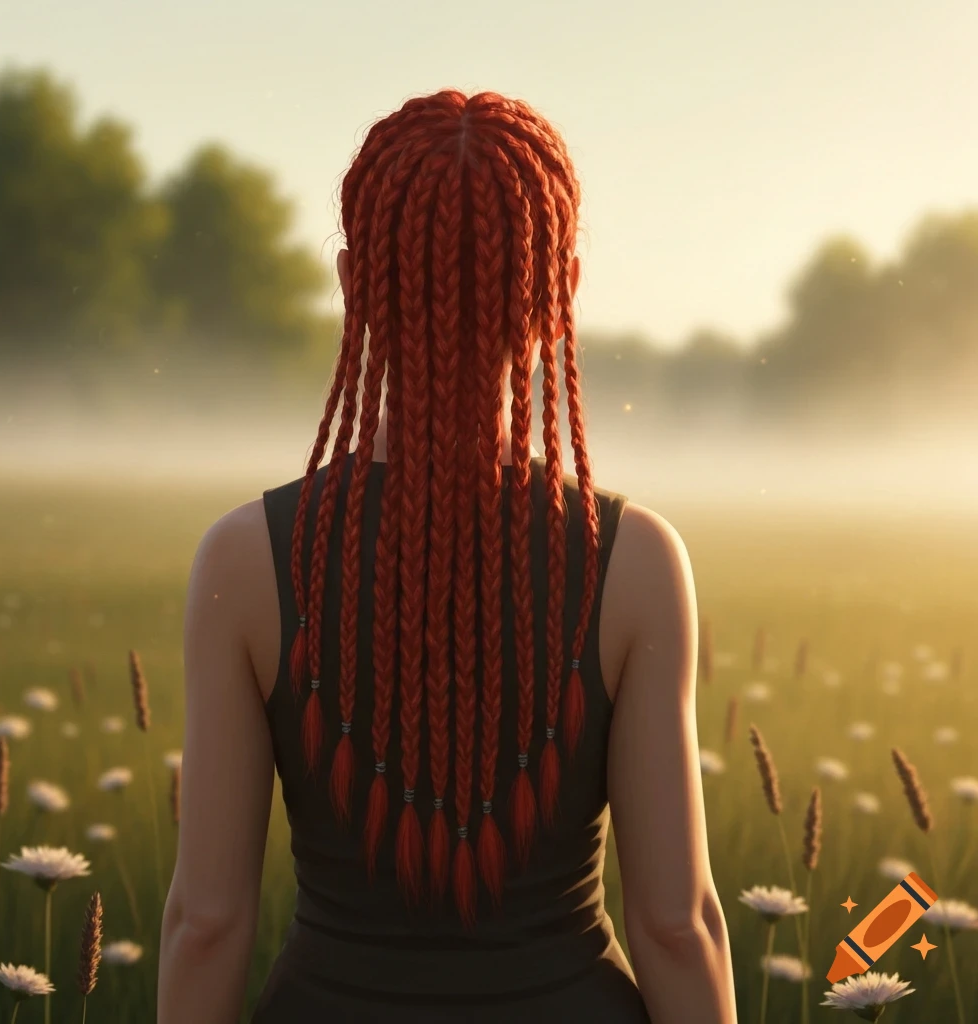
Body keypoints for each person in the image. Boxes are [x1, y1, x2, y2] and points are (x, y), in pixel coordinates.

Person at [157, 88, 738, 1024]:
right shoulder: (632, 561)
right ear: (562, 293)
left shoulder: (246, 559)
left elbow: (207, 922)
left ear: (353, 282)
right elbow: (677, 925)